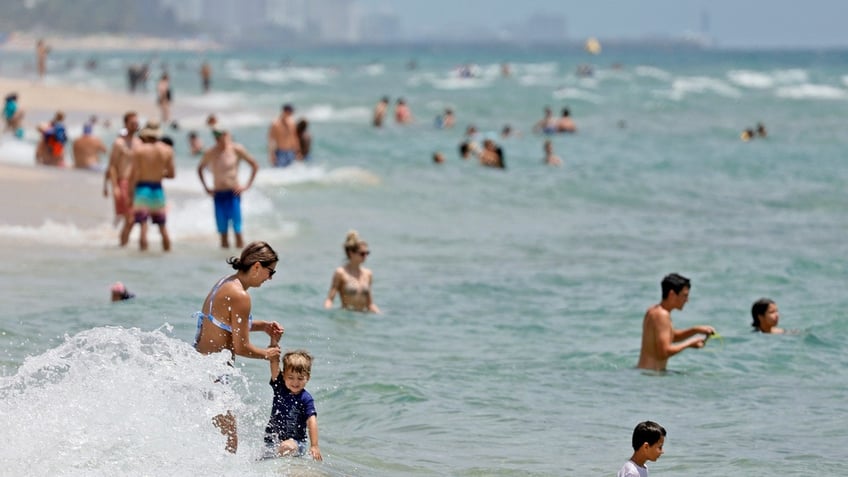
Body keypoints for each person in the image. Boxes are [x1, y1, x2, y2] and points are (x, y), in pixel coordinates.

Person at [193, 241, 284, 453]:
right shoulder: (241, 296)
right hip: (213, 375)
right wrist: (269, 354)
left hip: (198, 365)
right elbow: (242, 347)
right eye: (271, 272)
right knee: (230, 442)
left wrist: (263, 326)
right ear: (257, 267)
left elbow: (226, 325)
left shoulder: (226, 282)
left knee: (215, 438)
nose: (270, 278)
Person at [637, 273, 715, 371]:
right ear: (672, 294)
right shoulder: (662, 315)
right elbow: (663, 352)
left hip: (646, 374)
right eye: (684, 296)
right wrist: (690, 343)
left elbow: (669, 337)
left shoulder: (653, 311)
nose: (687, 300)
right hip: (652, 376)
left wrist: (695, 330)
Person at [197, 128, 259, 249]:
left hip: (233, 193)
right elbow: (200, 169)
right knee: (223, 233)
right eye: (216, 136)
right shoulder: (211, 152)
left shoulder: (236, 150)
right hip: (218, 194)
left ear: (227, 135)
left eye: (222, 135)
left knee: (237, 230)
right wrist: (206, 188)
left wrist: (246, 186)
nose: (219, 138)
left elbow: (254, 165)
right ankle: (224, 262)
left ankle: (241, 262)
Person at [263, 347, 323, 461]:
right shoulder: (279, 388)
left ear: (308, 378)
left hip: (297, 444)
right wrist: (274, 340)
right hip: (271, 441)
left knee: (287, 446)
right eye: (291, 377)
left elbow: (312, 420)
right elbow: (274, 361)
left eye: (300, 378)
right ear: (283, 375)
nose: (295, 382)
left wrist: (314, 445)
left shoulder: (306, 399)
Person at [129, 120, 175, 251]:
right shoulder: (167, 150)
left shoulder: (139, 150)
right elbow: (171, 174)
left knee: (143, 227)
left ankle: (143, 261)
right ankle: (167, 256)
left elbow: (135, 174)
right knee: (162, 226)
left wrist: (130, 193)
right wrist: (158, 174)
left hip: (142, 188)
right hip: (157, 189)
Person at [105, 111, 142, 240]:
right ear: (125, 124)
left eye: (136, 123)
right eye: (132, 123)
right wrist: (114, 187)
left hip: (137, 184)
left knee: (132, 219)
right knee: (130, 219)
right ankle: (122, 246)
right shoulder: (119, 143)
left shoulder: (139, 142)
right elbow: (112, 166)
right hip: (123, 182)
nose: (135, 125)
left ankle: (118, 242)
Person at [324, 230, 381, 313]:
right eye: (362, 253)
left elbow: (370, 304)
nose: (365, 256)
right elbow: (329, 300)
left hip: (363, 319)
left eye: (367, 253)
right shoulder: (340, 273)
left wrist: (382, 317)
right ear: (351, 253)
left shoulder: (368, 274)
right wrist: (326, 314)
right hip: (347, 317)